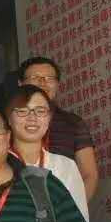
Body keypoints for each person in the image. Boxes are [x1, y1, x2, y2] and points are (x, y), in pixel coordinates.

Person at [17, 57, 98, 201]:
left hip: (64, 202)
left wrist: (74, 209)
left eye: (49, 78)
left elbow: (89, 174)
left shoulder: (73, 123)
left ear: (57, 84)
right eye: (35, 78)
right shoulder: (7, 121)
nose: (43, 83)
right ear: (20, 84)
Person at [5, 85, 89, 221]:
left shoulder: (65, 165)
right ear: (9, 118)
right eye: (22, 111)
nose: (32, 117)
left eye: (40, 111)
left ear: (49, 118)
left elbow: (79, 219)